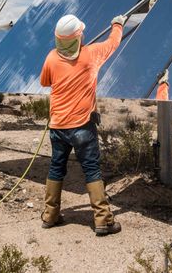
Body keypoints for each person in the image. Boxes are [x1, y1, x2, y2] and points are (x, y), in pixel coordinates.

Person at [39, 13, 126, 236]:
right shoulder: (92, 54)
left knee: (56, 167)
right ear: (78, 37)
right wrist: (117, 24)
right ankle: (103, 221)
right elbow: (113, 43)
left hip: (58, 126)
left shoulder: (51, 58)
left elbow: (45, 81)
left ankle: (50, 215)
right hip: (82, 126)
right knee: (91, 169)